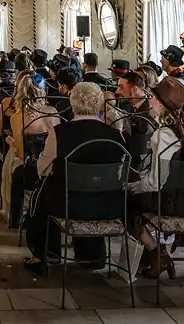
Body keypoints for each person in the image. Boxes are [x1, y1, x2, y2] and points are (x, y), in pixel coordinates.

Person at [26, 82, 127, 271]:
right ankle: (93, 255)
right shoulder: (115, 135)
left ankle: (47, 254)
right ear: (99, 103)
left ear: (72, 103)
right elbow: (120, 174)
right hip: (108, 205)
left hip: (67, 204)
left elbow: (44, 169)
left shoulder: (59, 133)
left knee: (42, 192)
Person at [129, 76, 184, 278]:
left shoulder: (163, 135)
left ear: (160, 103)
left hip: (173, 203)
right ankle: (150, 254)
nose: (150, 100)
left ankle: (156, 252)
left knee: (126, 203)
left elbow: (156, 182)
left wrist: (135, 186)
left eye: (152, 97)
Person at [0, 71, 60, 228]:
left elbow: (22, 154)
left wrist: (12, 143)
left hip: (31, 170)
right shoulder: (53, 112)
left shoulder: (17, 117)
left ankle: (16, 216)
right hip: (55, 169)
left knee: (12, 162)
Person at [114, 70, 156, 171]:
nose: (117, 91)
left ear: (134, 89)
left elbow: (141, 153)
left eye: (121, 87)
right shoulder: (135, 107)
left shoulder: (147, 114)